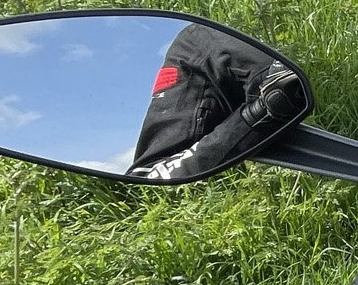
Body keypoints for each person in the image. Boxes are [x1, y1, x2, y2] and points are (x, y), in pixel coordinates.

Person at [129, 23, 308, 182]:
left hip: (152, 176)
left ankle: (268, 104)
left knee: (193, 35)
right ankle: (268, 105)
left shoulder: (193, 39)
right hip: (153, 177)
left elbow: (281, 86)